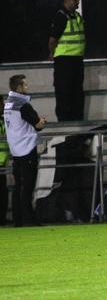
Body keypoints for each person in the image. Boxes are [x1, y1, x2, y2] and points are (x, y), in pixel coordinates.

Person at [4, 74, 45, 227]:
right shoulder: (23, 105)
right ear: (19, 88)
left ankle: (17, 219)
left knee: (18, 186)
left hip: (15, 149)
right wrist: (41, 120)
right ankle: (29, 219)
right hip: (26, 148)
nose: (28, 87)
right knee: (28, 185)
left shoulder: (9, 104)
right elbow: (38, 124)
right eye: (26, 85)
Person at [48, 0, 86, 121]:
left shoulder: (77, 17)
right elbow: (53, 40)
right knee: (64, 94)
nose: (77, 2)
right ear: (66, 1)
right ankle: (64, 123)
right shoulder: (61, 17)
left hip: (77, 60)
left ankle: (77, 122)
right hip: (64, 61)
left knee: (77, 94)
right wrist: (52, 53)